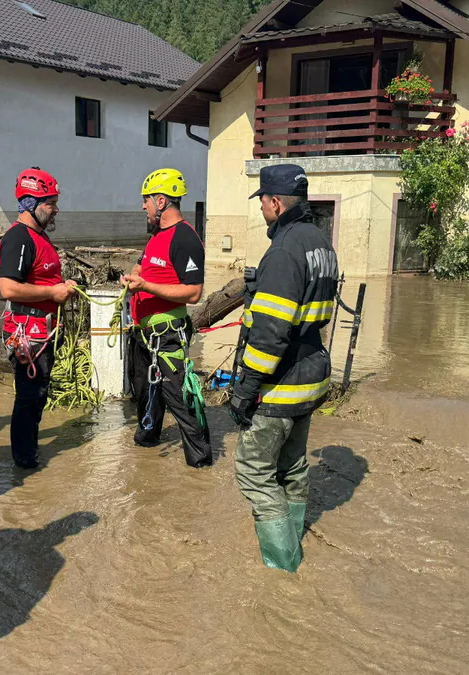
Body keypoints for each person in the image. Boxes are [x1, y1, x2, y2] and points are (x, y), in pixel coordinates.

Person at [229, 164, 339, 573]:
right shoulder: (320, 242)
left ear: (276, 202)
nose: (261, 208)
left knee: (253, 471)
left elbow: (270, 333)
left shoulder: (283, 251)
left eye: (262, 200)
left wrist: (245, 390)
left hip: (281, 383)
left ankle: (283, 565)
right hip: (311, 376)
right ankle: (293, 540)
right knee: (292, 466)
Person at [122, 168, 212, 468]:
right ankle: (146, 449)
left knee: (178, 398)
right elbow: (142, 266)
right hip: (144, 334)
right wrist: (134, 276)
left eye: (145, 200)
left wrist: (146, 286)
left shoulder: (185, 239)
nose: (143, 206)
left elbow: (193, 292)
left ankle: (200, 462)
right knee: (145, 392)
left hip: (167, 336)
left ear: (160, 201)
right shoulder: (156, 236)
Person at [0, 167, 77, 469]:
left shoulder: (37, 236)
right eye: (50, 203)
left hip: (42, 330)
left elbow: (43, 279)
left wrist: (62, 286)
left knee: (38, 395)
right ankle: (25, 462)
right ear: (30, 203)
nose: (56, 209)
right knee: (30, 397)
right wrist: (53, 292)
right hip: (28, 334)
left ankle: (28, 455)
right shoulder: (18, 238)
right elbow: (8, 287)